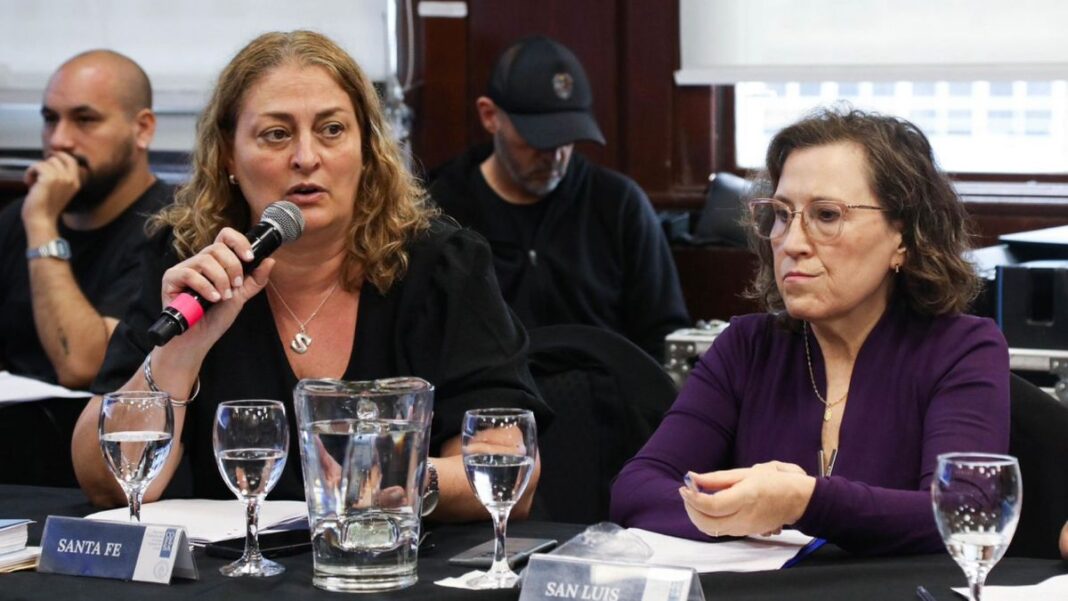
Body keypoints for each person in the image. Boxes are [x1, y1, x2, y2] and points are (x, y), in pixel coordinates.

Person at [71, 31, 550, 522]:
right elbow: (107, 485)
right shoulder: (187, 262)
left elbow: (510, 466)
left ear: (367, 148)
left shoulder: (441, 265)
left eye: (332, 130)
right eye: (276, 134)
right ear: (228, 157)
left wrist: (399, 478)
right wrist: (182, 349)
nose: (306, 156)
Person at [610, 107, 1009, 555]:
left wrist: (802, 503)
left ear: (904, 235)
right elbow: (636, 490)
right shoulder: (747, 346)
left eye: (825, 215)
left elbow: (965, 514)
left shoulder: (961, 349)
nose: (792, 242)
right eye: (781, 214)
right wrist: (744, 513)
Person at [428, 36, 689, 361]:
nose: (555, 156)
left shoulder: (618, 203)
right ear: (490, 115)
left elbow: (663, 334)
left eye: (567, 138)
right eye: (539, 139)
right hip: (491, 404)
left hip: (605, 398)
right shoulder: (442, 211)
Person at [0, 50, 171, 388]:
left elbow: (85, 367)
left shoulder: (171, 228)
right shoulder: (14, 221)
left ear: (142, 129)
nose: (59, 140)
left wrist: (41, 226)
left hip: (95, 432)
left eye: (85, 119)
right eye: (50, 119)